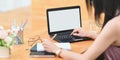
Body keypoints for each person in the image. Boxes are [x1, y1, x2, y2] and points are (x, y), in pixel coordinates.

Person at [42, 0, 120, 60]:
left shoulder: (114, 25)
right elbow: (113, 39)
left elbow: (84, 58)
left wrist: (56, 50)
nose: (92, 5)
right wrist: (90, 34)